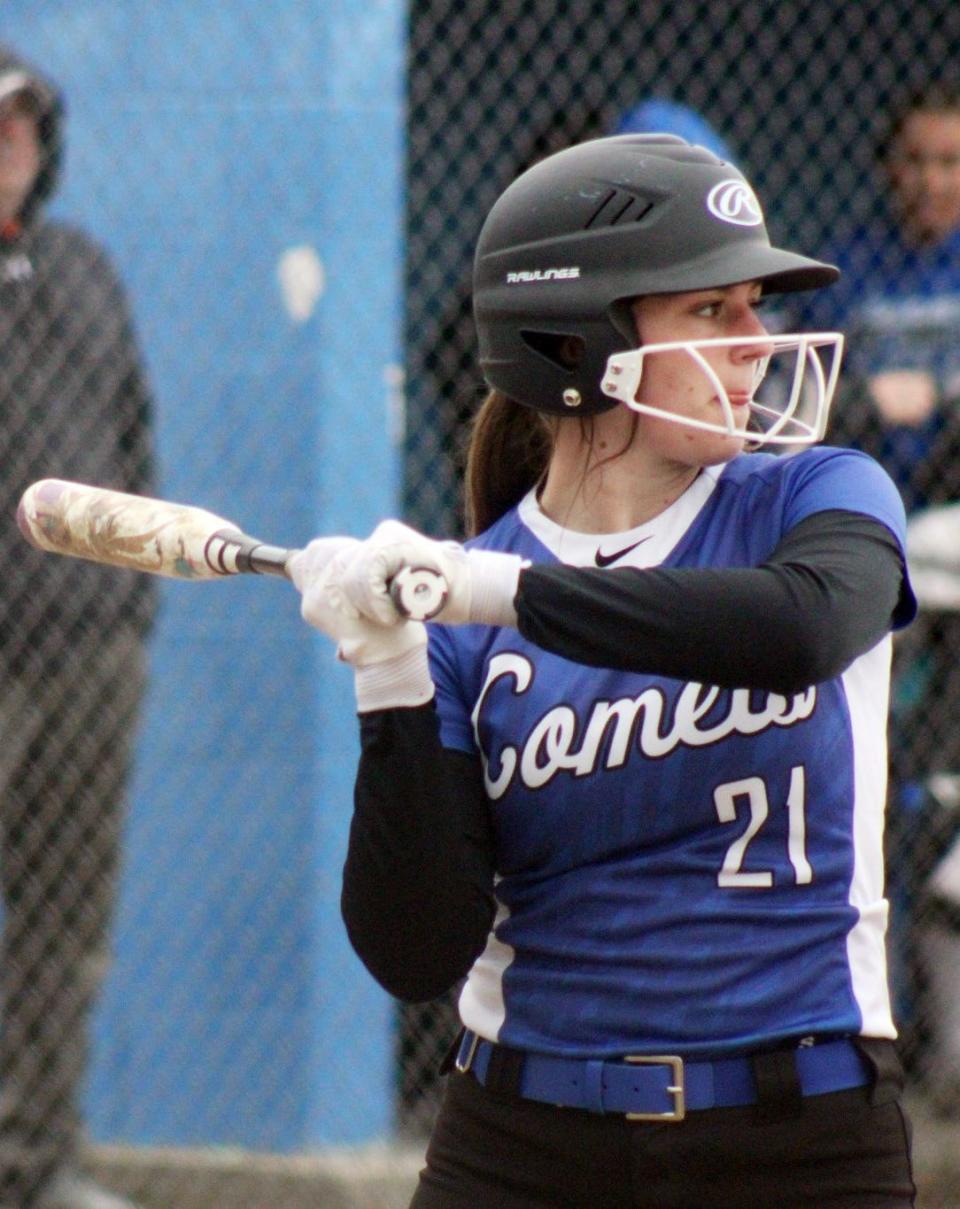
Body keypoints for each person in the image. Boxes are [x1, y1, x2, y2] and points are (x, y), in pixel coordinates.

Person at [291, 134, 917, 1208]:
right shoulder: (451, 614)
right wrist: (388, 668)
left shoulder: (814, 497)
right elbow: (415, 951)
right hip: (521, 1145)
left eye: (755, 306)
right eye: (713, 312)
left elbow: (803, 630)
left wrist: (494, 592)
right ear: (579, 345)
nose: (758, 343)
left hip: (798, 1140)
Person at [0, 47, 155, 1209]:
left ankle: (37, 1161)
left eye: (21, 124)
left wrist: (129, 617)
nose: (8, 143)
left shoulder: (83, 269)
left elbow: (133, 441)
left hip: (91, 658)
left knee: (64, 937)